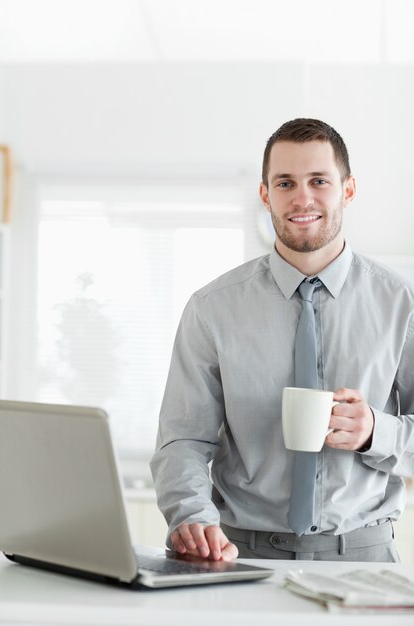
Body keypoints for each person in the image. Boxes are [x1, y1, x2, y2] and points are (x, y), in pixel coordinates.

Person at [150, 118, 414, 562]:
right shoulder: (212, 307)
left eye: (319, 181)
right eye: (285, 182)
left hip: (364, 560)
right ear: (265, 193)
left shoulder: (402, 304)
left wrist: (376, 431)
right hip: (238, 556)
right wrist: (192, 516)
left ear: (347, 190)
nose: (302, 198)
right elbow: (183, 441)